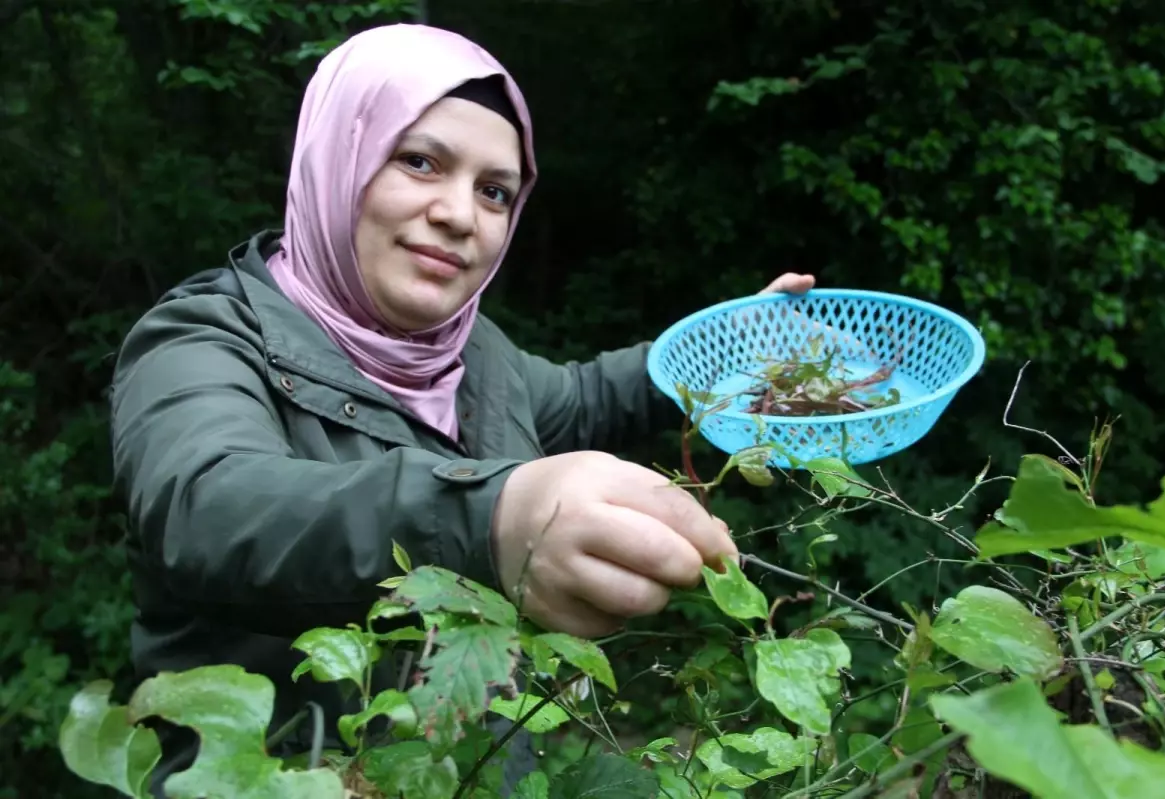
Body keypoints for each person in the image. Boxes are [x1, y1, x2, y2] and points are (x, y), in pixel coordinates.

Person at [108, 21, 815, 794]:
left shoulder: (474, 352)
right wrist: (489, 519)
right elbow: (208, 508)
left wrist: (722, 350)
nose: (459, 214)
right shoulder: (202, 338)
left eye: (494, 191)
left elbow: (584, 396)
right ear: (339, 157)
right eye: (420, 161)